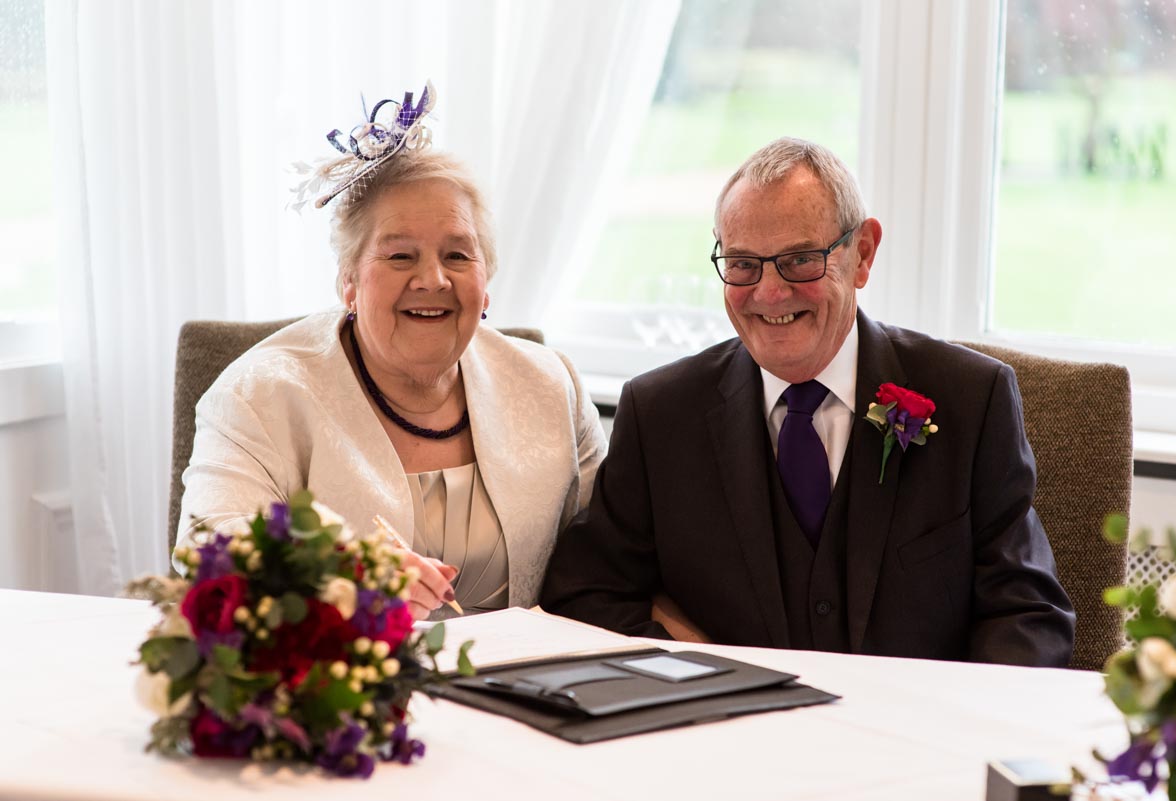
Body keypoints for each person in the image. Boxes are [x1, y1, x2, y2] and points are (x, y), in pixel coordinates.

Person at [540, 137, 1075, 666]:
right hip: (729, 737)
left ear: (862, 254)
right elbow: (584, 594)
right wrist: (694, 666)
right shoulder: (660, 414)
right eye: (744, 264)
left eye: (800, 260)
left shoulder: (970, 401)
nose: (770, 293)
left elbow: (1027, 616)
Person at [178, 87, 606, 620]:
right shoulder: (258, 393)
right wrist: (339, 570)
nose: (432, 279)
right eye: (400, 255)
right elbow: (207, 547)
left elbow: (613, 560)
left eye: (457, 254)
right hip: (342, 684)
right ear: (350, 282)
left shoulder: (551, 383)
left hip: (528, 687)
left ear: (486, 281)